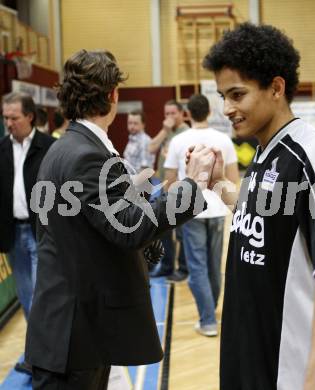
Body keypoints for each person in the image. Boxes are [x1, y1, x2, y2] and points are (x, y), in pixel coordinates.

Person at [25, 49, 215, 390]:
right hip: (73, 337)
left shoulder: (65, 148)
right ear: (113, 95)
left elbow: (84, 228)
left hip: (72, 330)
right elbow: (131, 227)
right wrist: (194, 185)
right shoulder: (85, 156)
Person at [202, 23, 315, 389]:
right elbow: (260, 216)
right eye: (222, 96)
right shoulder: (266, 151)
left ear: (276, 88)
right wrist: (217, 183)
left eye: (237, 95)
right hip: (252, 358)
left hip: (291, 372)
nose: (227, 108)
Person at [164, 94, 239, 336]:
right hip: (218, 208)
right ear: (208, 113)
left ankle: (207, 318)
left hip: (191, 210)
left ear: (187, 114)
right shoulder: (223, 139)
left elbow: (170, 180)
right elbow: (233, 179)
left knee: (197, 267)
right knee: (214, 266)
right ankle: (210, 310)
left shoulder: (179, 140)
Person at [0, 92, 55, 374]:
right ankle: (38, 355)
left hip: (42, 233)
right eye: (5, 118)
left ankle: (43, 357)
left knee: (40, 298)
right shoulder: (1, 149)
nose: (8, 123)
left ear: (30, 116)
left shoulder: (50, 147)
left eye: (14, 117)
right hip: (13, 235)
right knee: (26, 298)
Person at [148, 100, 189, 281]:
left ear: (181, 114)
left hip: (179, 186)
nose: (169, 118)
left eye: (173, 113)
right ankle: (166, 265)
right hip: (162, 185)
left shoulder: (186, 133)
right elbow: (151, 148)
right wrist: (164, 129)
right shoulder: (167, 132)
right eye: (167, 114)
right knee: (163, 229)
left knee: (181, 232)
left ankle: (184, 268)